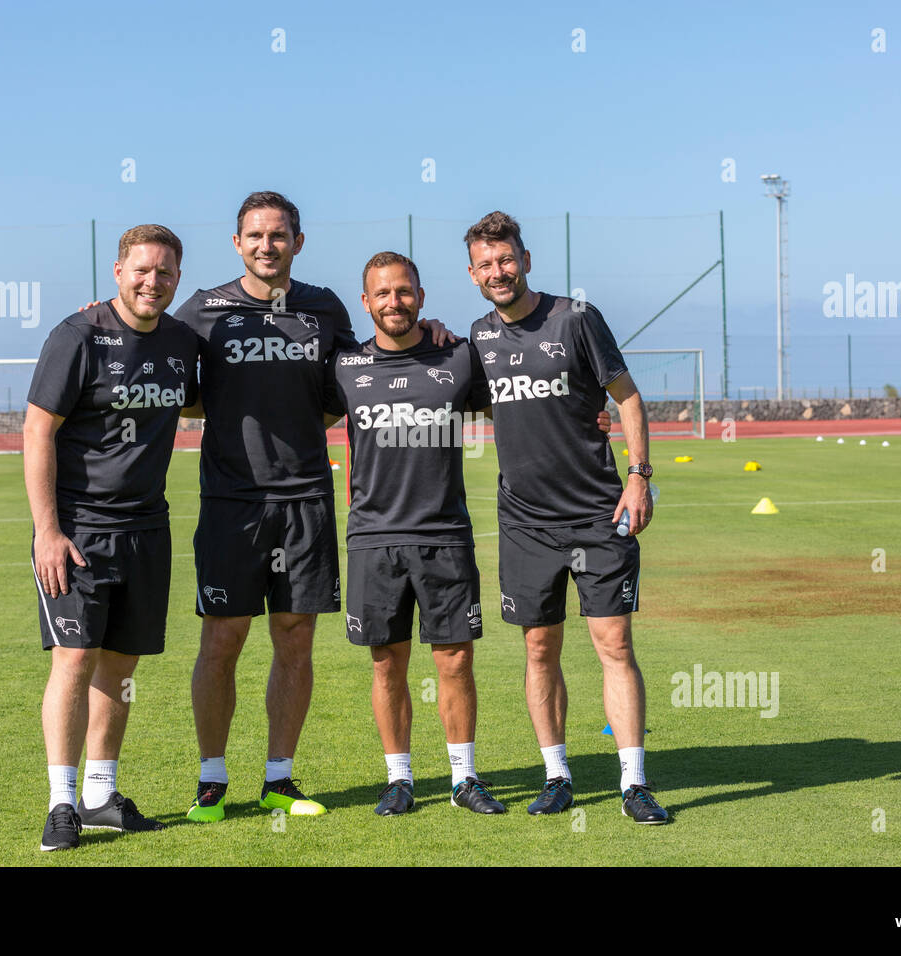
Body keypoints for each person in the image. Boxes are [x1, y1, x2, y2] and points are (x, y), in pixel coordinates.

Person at [172, 193, 450, 821]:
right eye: (254, 236)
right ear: (236, 243)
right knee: (223, 637)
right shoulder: (202, 311)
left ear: (298, 241)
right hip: (230, 502)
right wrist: (102, 318)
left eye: (278, 235)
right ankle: (211, 782)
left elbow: (363, 369)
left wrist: (432, 334)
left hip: (305, 499)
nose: (266, 245)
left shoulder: (322, 307)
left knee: (295, 638)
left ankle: (279, 778)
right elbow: (158, 359)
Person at [464, 211, 669, 824]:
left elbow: (627, 397)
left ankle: (633, 782)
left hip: (597, 512)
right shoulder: (476, 337)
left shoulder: (577, 318)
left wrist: (639, 475)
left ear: (526, 260)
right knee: (538, 648)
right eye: (486, 264)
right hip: (525, 522)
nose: (498, 272)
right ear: (472, 273)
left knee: (614, 644)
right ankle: (557, 775)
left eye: (507, 260)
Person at [25, 224, 199, 850]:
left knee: (121, 666)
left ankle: (101, 793)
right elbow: (38, 431)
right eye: (143, 270)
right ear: (119, 270)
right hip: (78, 530)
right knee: (74, 658)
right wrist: (48, 530)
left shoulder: (183, 342)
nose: (154, 282)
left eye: (166, 273)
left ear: (178, 278)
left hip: (148, 527)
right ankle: (62, 802)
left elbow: (203, 400)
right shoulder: (77, 337)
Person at [323, 251, 504, 816]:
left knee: (455, 662)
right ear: (366, 303)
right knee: (387, 664)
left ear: (421, 297)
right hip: (373, 539)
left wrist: (593, 412)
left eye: (404, 292)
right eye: (383, 294)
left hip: (445, 536)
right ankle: (398, 778)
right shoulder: (344, 367)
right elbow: (285, 410)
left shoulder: (458, 356)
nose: (394, 303)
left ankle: (463, 778)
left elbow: (522, 401)